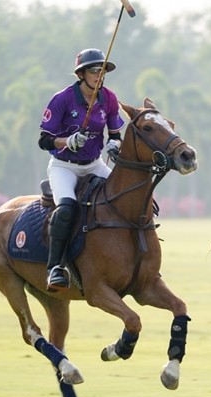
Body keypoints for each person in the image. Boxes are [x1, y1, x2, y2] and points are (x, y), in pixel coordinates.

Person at [38, 48, 125, 291]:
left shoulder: (109, 98)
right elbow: (44, 140)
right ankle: (55, 267)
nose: (99, 75)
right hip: (64, 167)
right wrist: (67, 141)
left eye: (102, 70)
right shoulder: (63, 99)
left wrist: (113, 144)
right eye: (94, 70)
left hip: (94, 165)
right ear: (81, 74)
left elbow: (116, 133)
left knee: (129, 197)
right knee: (67, 209)